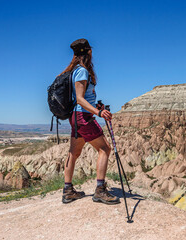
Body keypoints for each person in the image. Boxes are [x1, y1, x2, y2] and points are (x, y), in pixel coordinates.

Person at [60, 38, 120, 205]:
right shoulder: (82, 71)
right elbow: (79, 99)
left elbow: (83, 97)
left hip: (78, 116)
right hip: (83, 117)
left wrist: (96, 104)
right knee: (105, 149)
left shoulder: (76, 70)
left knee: (74, 152)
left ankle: (68, 190)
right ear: (88, 52)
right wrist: (98, 112)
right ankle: (100, 190)